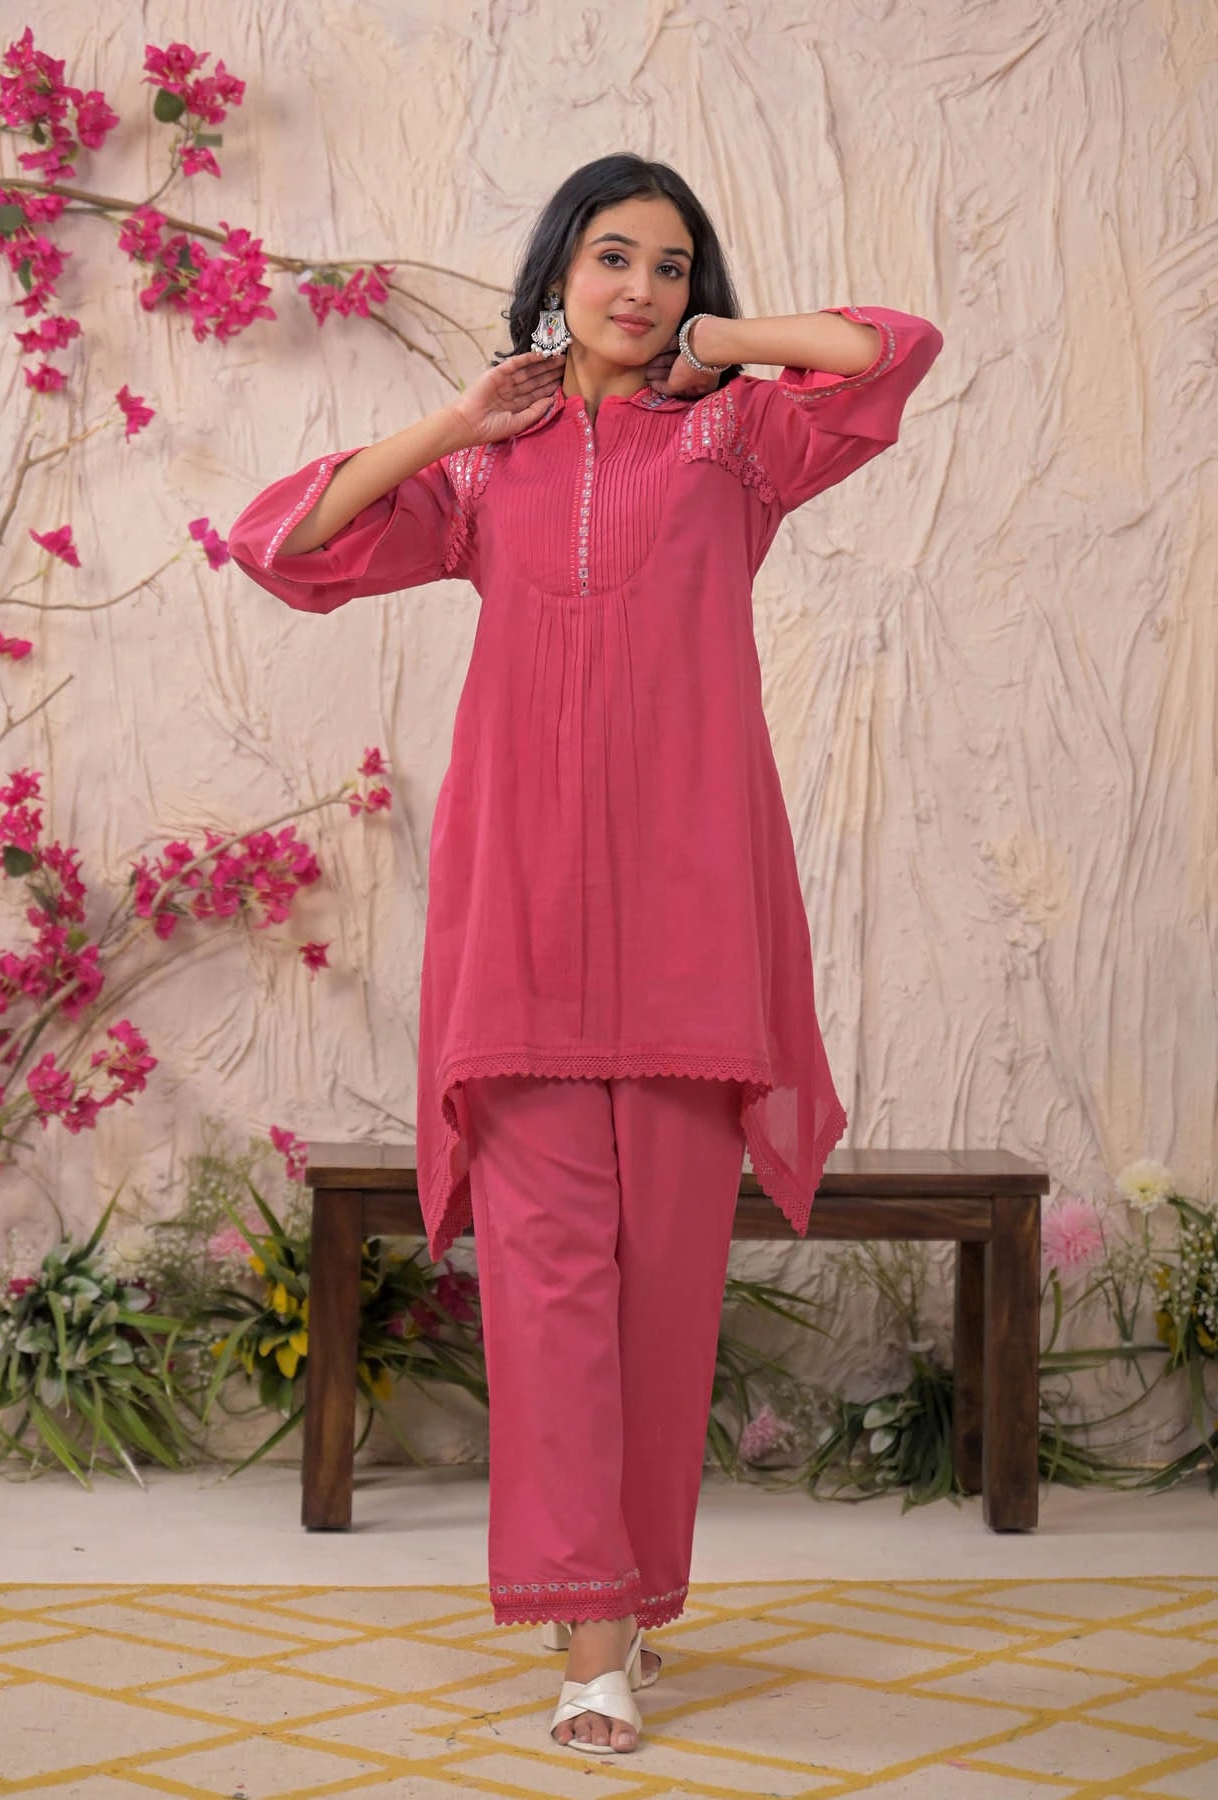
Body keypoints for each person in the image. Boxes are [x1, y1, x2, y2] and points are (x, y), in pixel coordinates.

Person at [229, 151, 942, 1755]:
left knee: (669, 1287)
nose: (640, 288)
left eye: (672, 265)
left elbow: (893, 349)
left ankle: (628, 1592)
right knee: (550, 1287)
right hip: (527, 922)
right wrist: (458, 423)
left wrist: (733, 349)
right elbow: (291, 541)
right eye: (611, 257)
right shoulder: (489, 476)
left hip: (695, 916)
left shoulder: (740, 444)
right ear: (560, 270)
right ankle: (589, 1644)